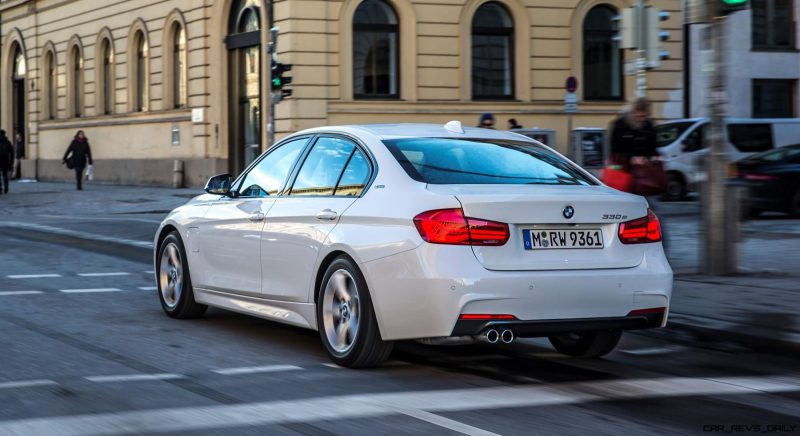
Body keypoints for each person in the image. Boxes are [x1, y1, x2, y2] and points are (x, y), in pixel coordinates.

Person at [609, 97, 658, 167]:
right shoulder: (620, 125)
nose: (640, 119)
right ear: (632, 112)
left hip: (643, 168)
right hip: (623, 168)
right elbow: (615, 150)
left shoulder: (649, 125)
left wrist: (651, 157)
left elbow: (652, 147)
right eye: (638, 116)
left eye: (644, 116)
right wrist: (630, 159)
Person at [0, 130, 14, 194]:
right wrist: (11, 163)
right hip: (6, 160)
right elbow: (12, 153)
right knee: (5, 175)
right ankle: (6, 188)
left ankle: (0, 188)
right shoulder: (8, 142)